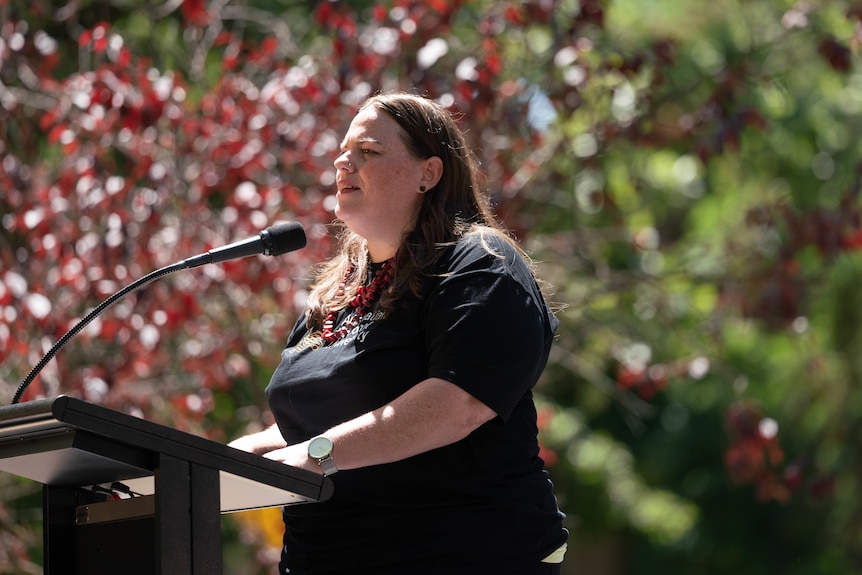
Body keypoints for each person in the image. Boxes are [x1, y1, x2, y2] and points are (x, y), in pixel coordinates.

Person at [229, 92, 568, 574]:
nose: (343, 162)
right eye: (343, 151)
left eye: (367, 151)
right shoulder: (337, 292)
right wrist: (220, 459)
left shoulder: (478, 263)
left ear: (428, 173)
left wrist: (317, 453)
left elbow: (459, 403)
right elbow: (314, 423)